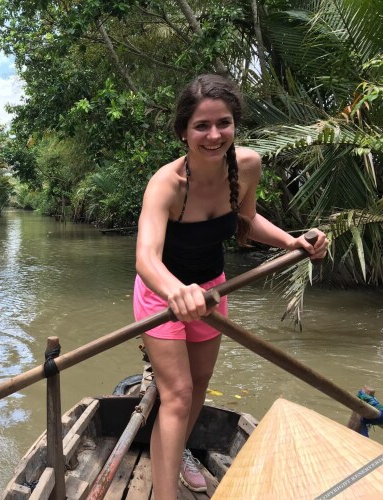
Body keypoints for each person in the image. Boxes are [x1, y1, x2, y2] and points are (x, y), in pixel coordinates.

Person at [133, 74, 328, 498]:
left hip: (212, 291)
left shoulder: (247, 165)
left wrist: (292, 242)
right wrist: (177, 292)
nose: (214, 135)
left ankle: (177, 452)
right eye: (201, 126)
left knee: (199, 385)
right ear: (183, 132)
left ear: (235, 124)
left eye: (223, 123)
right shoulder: (166, 183)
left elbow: (247, 219)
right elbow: (146, 259)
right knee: (178, 395)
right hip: (162, 296)